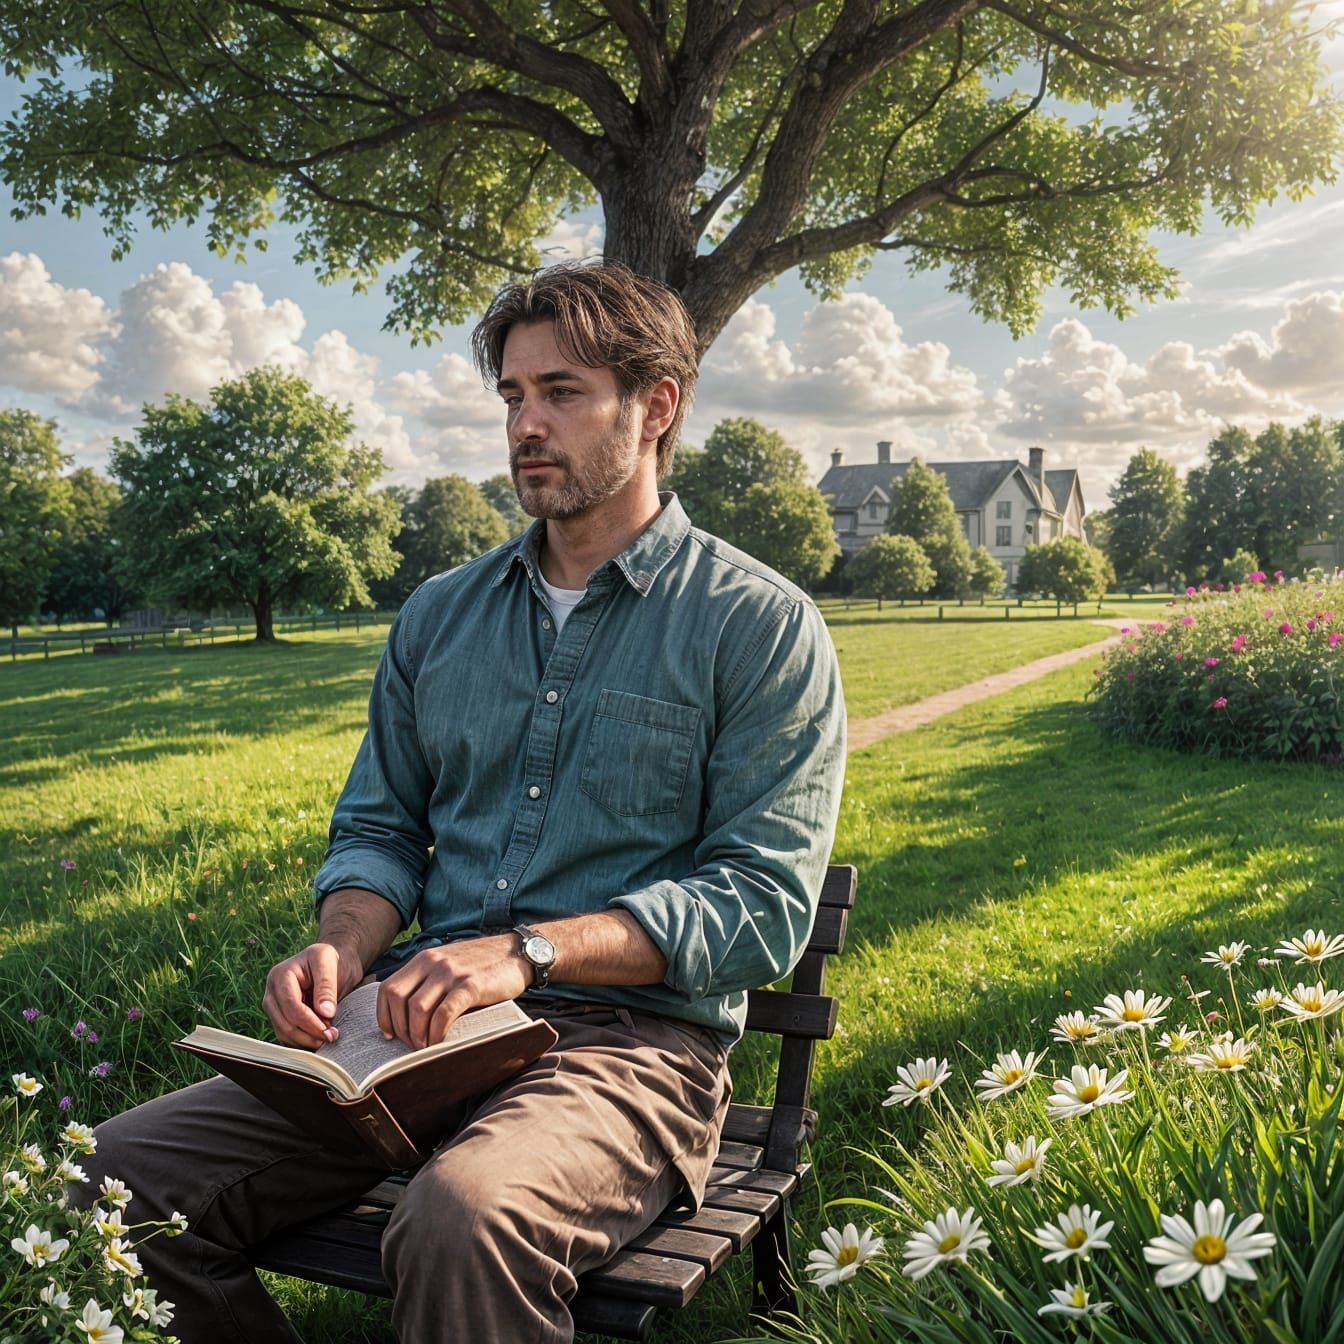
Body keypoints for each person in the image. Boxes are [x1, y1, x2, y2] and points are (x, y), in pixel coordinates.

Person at [81, 261, 846, 1344]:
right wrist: (342, 948)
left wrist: (526, 953)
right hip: (413, 1035)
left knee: (461, 1219)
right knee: (104, 1184)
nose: (526, 425)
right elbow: (381, 830)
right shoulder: (440, 617)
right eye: (512, 397)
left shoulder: (756, 625)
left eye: (562, 393)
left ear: (657, 406)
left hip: (633, 1051)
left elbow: (762, 904)